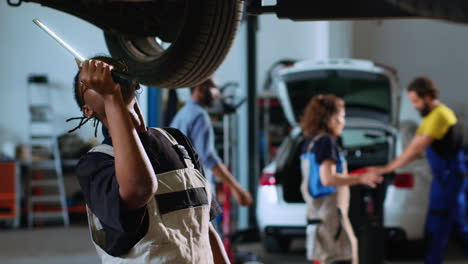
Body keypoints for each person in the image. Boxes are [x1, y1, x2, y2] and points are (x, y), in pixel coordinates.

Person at [72, 57, 230, 263]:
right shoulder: (95, 163)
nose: (105, 76)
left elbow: (204, 228)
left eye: (112, 71)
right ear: (87, 110)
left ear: (135, 81)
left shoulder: (177, 141)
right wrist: (112, 97)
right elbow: (139, 190)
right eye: (92, 80)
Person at [368, 77, 466, 264]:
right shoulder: (433, 117)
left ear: (428, 96)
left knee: (441, 228)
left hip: (449, 180)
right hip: (445, 180)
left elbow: (415, 149)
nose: (414, 106)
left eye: (416, 101)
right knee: (446, 227)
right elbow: (413, 146)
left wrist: (386, 168)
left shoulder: (439, 116)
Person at [299, 95, 383, 264]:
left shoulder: (309, 142)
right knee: (345, 255)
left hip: (317, 214)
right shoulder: (326, 143)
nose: (343, 122)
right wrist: (361, 178)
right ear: (328, 117)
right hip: (331, 217)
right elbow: (328, 179)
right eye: (341, 117)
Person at [170, 77, 253, 207]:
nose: (218, 94)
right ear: (200, 88)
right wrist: (237, 189)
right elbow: (208, 158)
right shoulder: (200, 115)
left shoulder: (182, 114)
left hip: (182, 188)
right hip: (196, 190)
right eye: (215, 88)